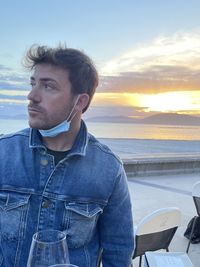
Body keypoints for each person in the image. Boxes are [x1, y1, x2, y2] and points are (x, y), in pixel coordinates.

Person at [0, 45, 134, 266]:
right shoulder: (4, 153)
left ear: (80, 102)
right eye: (33, 83)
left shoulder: (108, 169)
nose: (32, 96)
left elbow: (119, 252)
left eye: (48, 86)